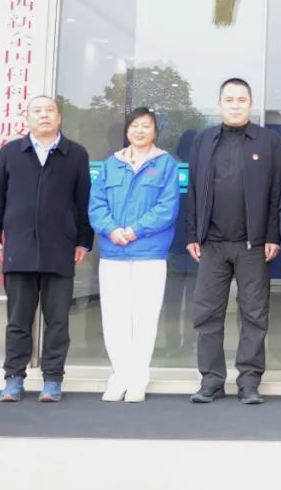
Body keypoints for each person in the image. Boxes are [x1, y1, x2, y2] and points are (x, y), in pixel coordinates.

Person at [0, 95, 93, 403]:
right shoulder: (11, 152)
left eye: (50, 110)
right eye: (37, 111)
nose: (44, 115)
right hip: (19, 248)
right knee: (18, 320)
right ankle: (14, 378)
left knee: (58, 321)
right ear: (27, 118)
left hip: (61, 248)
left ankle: (53, 379)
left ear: (59, 118)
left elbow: (84, 201)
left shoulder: (75, 154)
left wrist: (83, 240)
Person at [186, 78, 281, 404]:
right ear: (220, 104)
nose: (235, 105)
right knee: (207, 314)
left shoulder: (268, 141)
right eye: (229, 99)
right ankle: (211, 380)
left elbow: (277, 192)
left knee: (254, 315)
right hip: (212, 244)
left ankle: (249, 382)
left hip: (252, 245)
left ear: (250, 105)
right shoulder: (203, 140)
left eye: (241, 100)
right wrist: (193, 234)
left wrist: (272, 235)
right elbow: (194, 191)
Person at [88, 107, 180, 403]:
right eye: (135, 125)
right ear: (127, 130)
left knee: (145, 317)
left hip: (149, 253)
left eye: (146, 126)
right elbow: (96, 204)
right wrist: (111, 229)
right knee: (114, 317)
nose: (140, 130)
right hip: (113, 252)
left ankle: (138, 379)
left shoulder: (165, 164)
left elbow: (167, 208)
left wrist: (134, 230)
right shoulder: (111, 164)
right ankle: (120, 376)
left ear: (155, 131)